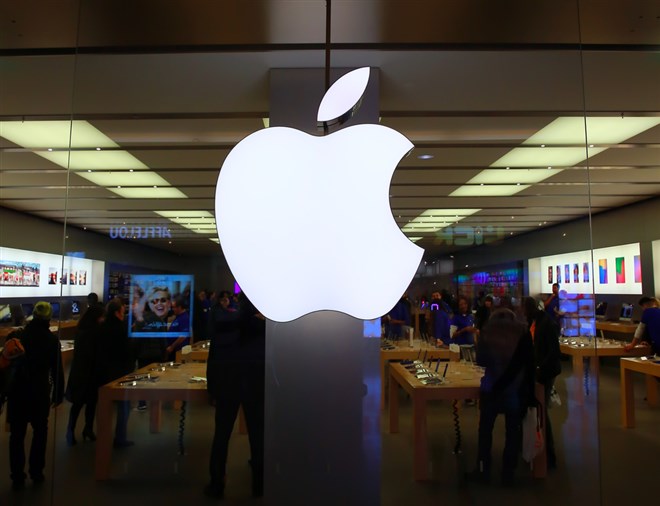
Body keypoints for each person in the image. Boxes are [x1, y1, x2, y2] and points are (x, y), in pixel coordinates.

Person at [205, 293, 265, 499]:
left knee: (221, 435)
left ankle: (216, 483)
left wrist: (212, 389)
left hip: (226, 387)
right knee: (258, 436)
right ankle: (259, 484)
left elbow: (213, 359)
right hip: (255, 387)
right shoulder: (262, 330)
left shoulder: (224, 324)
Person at [469, 308, 535, 486]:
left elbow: (481, 360)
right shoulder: (522, 331)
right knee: (512, 432)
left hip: (492, 387)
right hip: (514, 388)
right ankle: (508, 472)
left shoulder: (488, 330)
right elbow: (529, 361)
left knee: (485, 431)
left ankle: (484, 469)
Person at [6, 301, 64, 491]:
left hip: (18, 392)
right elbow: (57, 370)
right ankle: (36, 471)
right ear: (48, 318)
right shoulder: (51, 340)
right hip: (39, 392)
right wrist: (58, 394)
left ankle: (17, 475)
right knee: (40, 431)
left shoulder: (19, 336)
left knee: (17, 434)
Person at [524, 296, 562, 469]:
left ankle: (549, 455)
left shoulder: (546, 324)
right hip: (540, 370)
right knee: (540, 410)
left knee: (541, 410)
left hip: (545, 372)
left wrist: (540, 369)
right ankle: (543, 453)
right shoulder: (535, 322)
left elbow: (553, 352)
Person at [96, 297, 135, 448]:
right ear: (118, 312)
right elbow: (127, 352)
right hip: (120, 373)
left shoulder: (101, 328)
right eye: (123, 311)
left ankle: (103, 437)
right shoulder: (121, 329)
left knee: (104, 407)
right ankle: (120, 438)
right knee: (124, 406)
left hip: (103, 372)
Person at [65, 303, 105, 445]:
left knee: (79, 403)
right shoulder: (95, 332)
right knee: (89, 403)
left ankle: (73, 430)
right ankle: (85, 429)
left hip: (80, 372)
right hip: (89, 373)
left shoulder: (81, 330)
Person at [165, 294, 191, 360]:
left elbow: (183, 336)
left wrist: (172, 347)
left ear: (180, 307)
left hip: (179, 351)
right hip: (174, 350)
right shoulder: (178, 317)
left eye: (174, 307)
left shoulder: (184, 318)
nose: (173, 309)